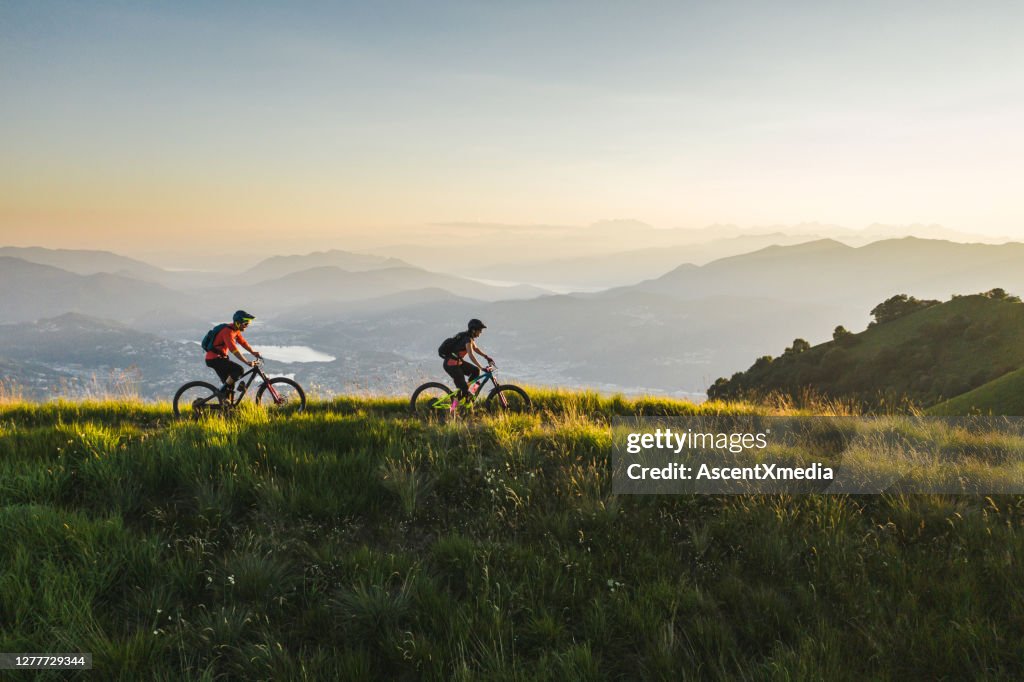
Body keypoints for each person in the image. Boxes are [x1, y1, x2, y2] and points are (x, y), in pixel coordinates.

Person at [205, 310, 262, 399]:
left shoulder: (235, 330)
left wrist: (253, 352)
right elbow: (234, 350)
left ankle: (226, 406)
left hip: (220, 359)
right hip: (214, 359)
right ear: (238, 322)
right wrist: (247, 362)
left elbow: (243, 342)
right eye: (245, 324)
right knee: (239, 370)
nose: (247, 326)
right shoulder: (227, 332)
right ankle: (221, 392)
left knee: (230, 386)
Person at [440, 318, 494, 404]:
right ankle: (453, 408)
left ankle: (469, 394)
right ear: (473, 330)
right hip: (450, 364)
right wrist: (481, 367)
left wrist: (486, 357)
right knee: (463, 388)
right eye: (479, 330)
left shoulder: (469, 338)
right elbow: (471, 355)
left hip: (458, 362)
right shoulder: (467, 339)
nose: (481, 332)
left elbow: (476, 349)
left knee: (476, 371)